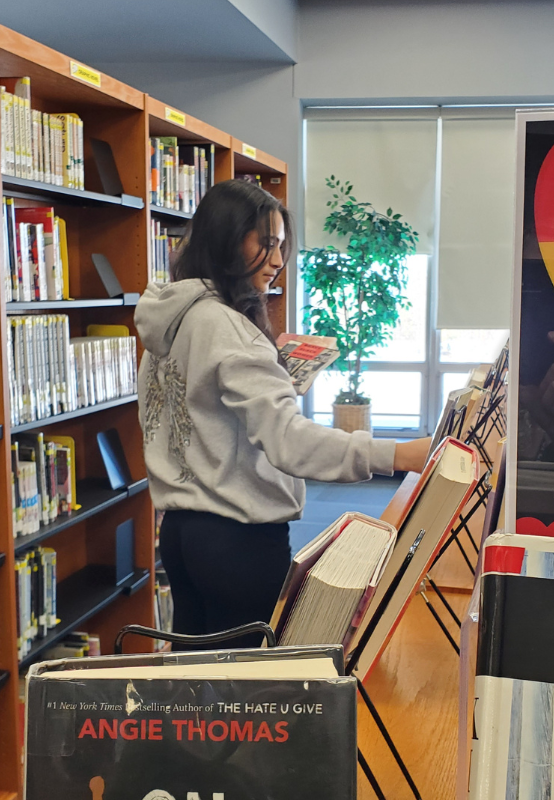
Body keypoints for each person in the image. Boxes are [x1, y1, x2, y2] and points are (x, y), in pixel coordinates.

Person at [135, 180, 430, 648]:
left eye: (280, 245)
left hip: (180, 532)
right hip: (237, 540)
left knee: (194, 685)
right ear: (228, 240)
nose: (277, 259)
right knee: (247, 696)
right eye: (266, 243)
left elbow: (191, 411)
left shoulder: (172, 318)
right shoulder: (230, 329)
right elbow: (289, 442)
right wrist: (399, 453)